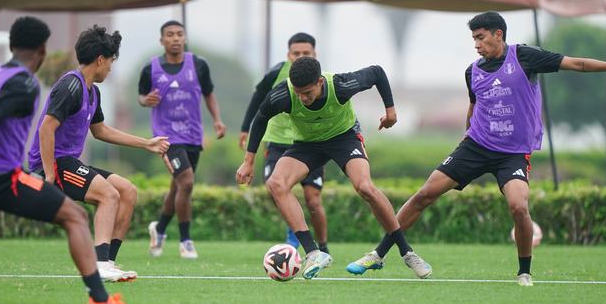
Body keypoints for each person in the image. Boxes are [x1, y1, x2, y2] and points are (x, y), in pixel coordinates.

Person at [347, 11, 606, 286]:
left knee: (519, 207)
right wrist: (466, 138)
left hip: (513, 153)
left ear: (499, 34)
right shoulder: (472, 71)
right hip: (476, 146)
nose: (477, 44)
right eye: (474, 39)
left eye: (481, 37)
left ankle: (524, 272)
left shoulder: (525, 57)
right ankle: (379, 254)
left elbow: (578, 63)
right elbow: (474, 107)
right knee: (424, 194)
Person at [0, 16, 126, 304]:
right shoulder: (25, 83)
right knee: (75, 217)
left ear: (11, 46)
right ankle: (100, 299)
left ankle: (101, 294)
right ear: (42, 50)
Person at [236, 55, 431, 280]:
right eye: (298, 93)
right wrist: (248, 161)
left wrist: (390, 111)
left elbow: (377, 72)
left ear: (320, 82)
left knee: (365, 187)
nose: (303, 98)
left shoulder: (340, 86)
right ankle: (313, 253)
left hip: (344, 139)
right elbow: (261, 118)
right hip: (307, 145)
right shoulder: (284, 94)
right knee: (276, 183)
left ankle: (407, 253)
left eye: (307, 92)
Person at [29, 25, 169, 282]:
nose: (111, 68)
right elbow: (46, 128)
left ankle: (108, 263)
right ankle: (100, 264)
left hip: (69, 162)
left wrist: (146, 143)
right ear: (100, 60)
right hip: (55, 163)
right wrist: (48, 175)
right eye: (112, 61)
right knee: (109, 194)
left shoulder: (93, 92)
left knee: (127, 191)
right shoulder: (71, 86)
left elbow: (101, 131)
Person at [140, 20, 226, 259]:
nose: (175, 38)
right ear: (162, 40)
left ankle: (159, 229)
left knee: (179, 186)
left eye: (179, 34)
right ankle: (186, 241)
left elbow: (209, 93)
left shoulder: (198, 65)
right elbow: (141, 96)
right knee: (186, 182)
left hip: (192, 134)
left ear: (184, 38)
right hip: (166, 136)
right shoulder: (150, 69)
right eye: (170, 34)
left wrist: (217, 120)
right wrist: (145, 100)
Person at [239, 32, 329, 253]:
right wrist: (245, 128)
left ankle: (323, 247)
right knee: (275, 187)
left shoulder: (322, 79)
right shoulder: (276, 73)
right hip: (278, 141)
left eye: (306, 53)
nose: (300, 57)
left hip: (310, 143)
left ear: (315, 54)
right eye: (296, 53)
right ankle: (294, 232)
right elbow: (257, 98)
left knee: (313, 200)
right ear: (288, 54)